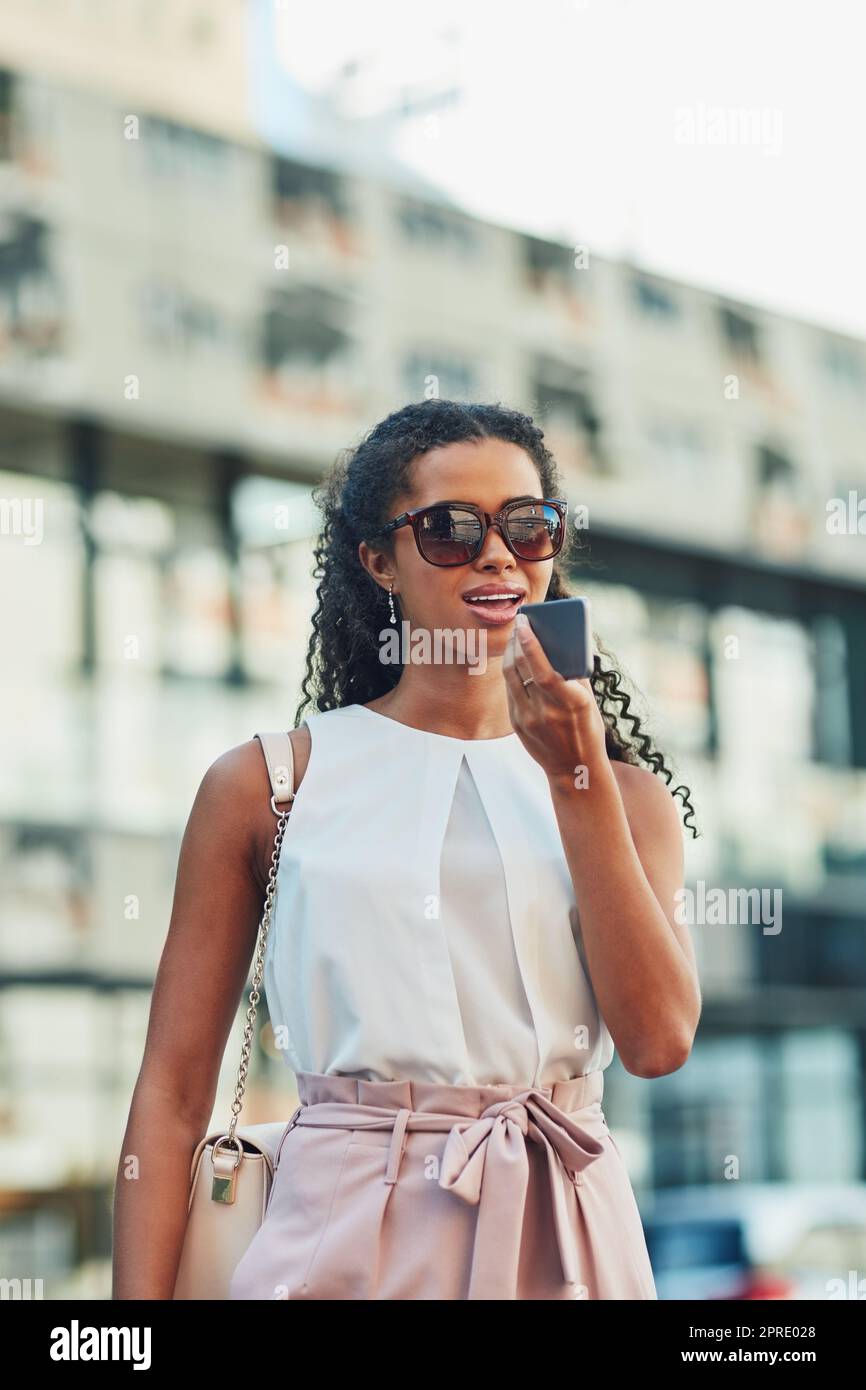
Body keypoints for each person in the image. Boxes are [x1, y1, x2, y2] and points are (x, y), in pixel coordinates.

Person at [113, 399, 701, 1300]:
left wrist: (576, 775)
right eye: (451, 529)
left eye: (527, 525)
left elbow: (659, 1042)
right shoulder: (269, 785)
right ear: (378, 560)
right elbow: (173, 1091)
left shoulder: (625, 797)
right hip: (345, 1238)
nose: (497, 553)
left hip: (568, 1234)